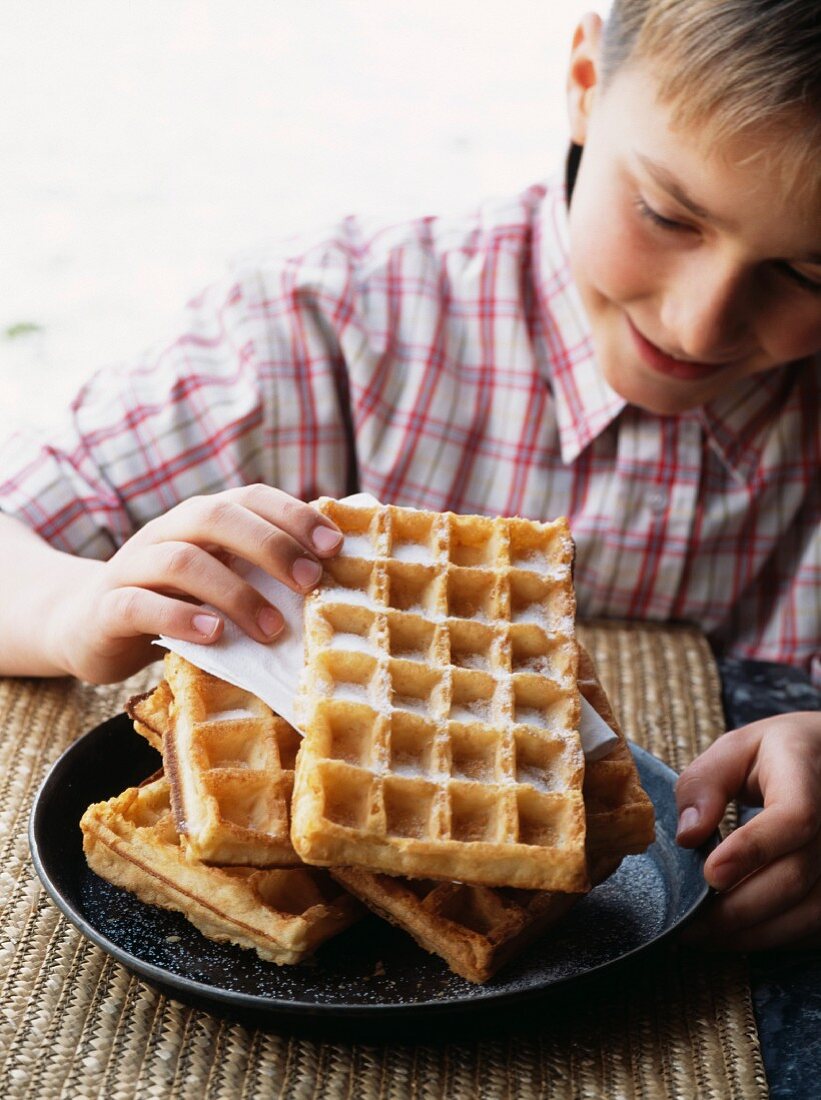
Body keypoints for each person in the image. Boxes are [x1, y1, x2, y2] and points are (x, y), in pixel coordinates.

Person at [0, 1, 818, 948]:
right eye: (666, 213)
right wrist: (71, 607)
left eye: (807, 272)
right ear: (586, 82)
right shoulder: (325, 326)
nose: (699, 321)